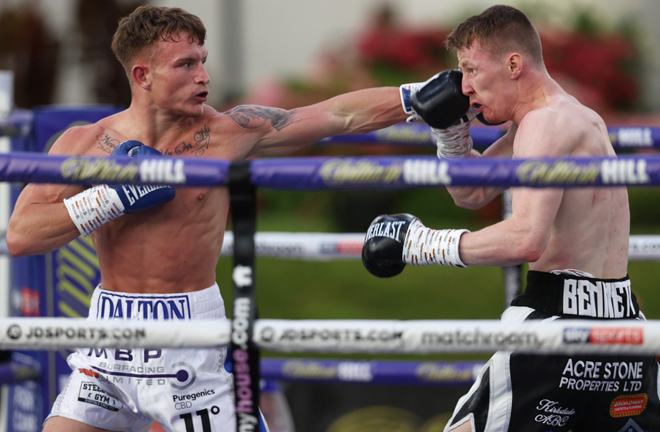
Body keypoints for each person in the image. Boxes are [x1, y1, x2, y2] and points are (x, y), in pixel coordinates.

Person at [5, 5, 456, 432]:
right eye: (185, 65)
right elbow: (21, 235)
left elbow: (334, 114)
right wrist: (109, 198)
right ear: (142, 75)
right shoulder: (83, 144)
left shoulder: (228, 133)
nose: (204, 76)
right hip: (108, 344)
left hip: (191, 346)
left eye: (203, 60)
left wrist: (416, 96)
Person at [362, 5, 660, 432]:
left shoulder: (542, 124)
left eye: (470, 70)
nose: (464, 87)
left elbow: (526, 239)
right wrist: (451, 134)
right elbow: (473, 191)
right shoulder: (569, 117)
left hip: (558, 325)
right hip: (623, 328)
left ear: (513, 64)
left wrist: (420, 244)